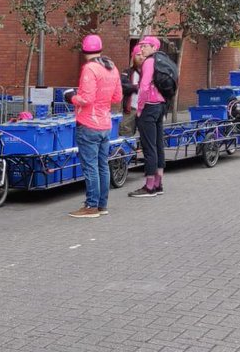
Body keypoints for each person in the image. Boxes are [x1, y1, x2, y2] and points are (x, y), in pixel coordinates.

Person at [66, 34, 122, 218]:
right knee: (102, 166)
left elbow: (86, 99)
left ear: (83, 51)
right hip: (105, 123)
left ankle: (91, 206)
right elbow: (117, 97)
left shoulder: (90, 69)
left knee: (90, 167)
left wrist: (70, 97)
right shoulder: (111, 67)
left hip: (88, 123)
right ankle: (102, 205)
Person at [130, 36, 166, 198]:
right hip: (160, 105)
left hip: (149, 107)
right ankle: (159, 183)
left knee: (149, 146)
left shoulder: (150, 62)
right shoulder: (162, 60)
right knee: (158, 145)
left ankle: (149, 186)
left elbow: (144, 86)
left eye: (145, 46)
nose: (142, 49)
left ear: (154, 47)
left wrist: (139, 108)